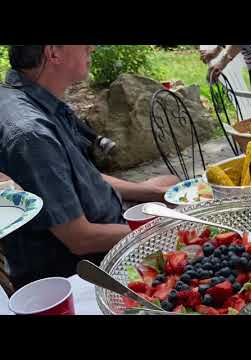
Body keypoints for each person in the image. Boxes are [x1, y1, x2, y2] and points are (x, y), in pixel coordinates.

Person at [0, 45, 179, 289]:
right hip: (83, 267)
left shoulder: (27, 97)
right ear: (53, 52)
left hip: (103, 219)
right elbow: (81, 239)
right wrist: (168, 229)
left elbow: (81, 175)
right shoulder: (32, 135)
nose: (92, 47)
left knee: (170, 185)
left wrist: (149, 191)